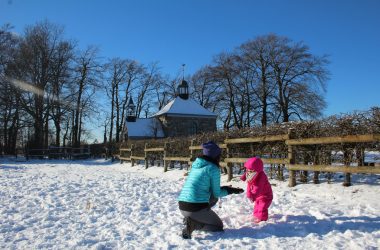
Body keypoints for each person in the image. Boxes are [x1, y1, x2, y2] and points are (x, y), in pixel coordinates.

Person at [178, 141, 243, 239]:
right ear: (216, 156)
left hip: (182, 206)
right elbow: (216, 193)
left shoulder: (196, 166)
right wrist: (230, 190)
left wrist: (226, 188)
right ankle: (194, 224)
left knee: (211, 197)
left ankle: (191, 219)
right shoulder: (213, 168)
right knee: (218, 226)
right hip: (195, 208)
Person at [241, 157, 273, 223]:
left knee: (262, 207)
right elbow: (248, 182)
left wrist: (253, 196)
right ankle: (256, 216)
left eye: (250, 170)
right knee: (256, 206)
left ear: (257, 169)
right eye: (247, 169)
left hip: (266, 195)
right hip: (258, 196)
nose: (248, 171)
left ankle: (262, 220)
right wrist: (243, 177)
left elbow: (258, 188)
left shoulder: (261, 177)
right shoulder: (251, 173)